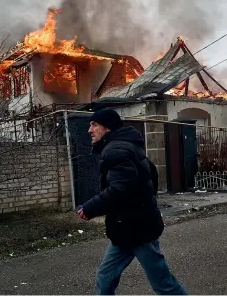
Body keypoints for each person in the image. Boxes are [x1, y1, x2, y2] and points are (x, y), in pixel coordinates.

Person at [77, 109, 187, 295]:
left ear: (108, 127)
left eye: (94, 124)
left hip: (139, 229)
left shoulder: (116, 150)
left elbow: (120, 189)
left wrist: (90, 208)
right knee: (105, 278)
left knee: (164, 285)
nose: (90, 130)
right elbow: (151, 174)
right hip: (125, 228)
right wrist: (145, 201)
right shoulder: (127, 145)